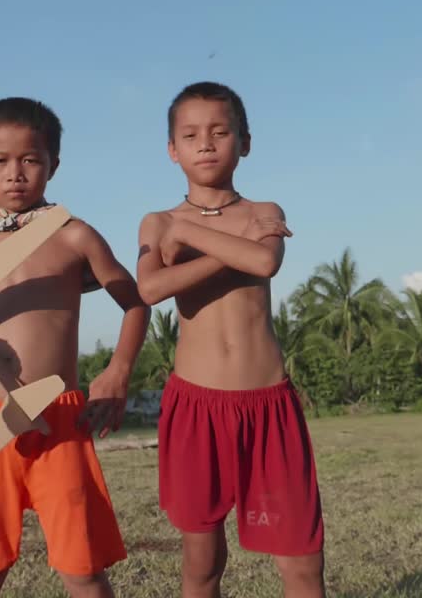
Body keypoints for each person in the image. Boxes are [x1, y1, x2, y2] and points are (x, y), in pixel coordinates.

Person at [0, 97, 150, 598]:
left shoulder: (73, 236)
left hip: (60, 418)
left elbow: (136, 303)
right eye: (0, 161)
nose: (15, 174)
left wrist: (117, 372)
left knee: (83, 567)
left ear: (53, 164)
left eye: (30, 159)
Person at [135, 81, 326, 597]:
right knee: (203, 562)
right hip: (196, 406)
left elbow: (263, 261)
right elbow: (150, 288)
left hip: (268, 405)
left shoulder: (264, 209)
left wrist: (190, 236)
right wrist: (218, 242)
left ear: (245, 142)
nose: (206, 143)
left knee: (302, 561)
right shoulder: (158, 222)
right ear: (172, 149)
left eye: (220, 132)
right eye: (190, 135)